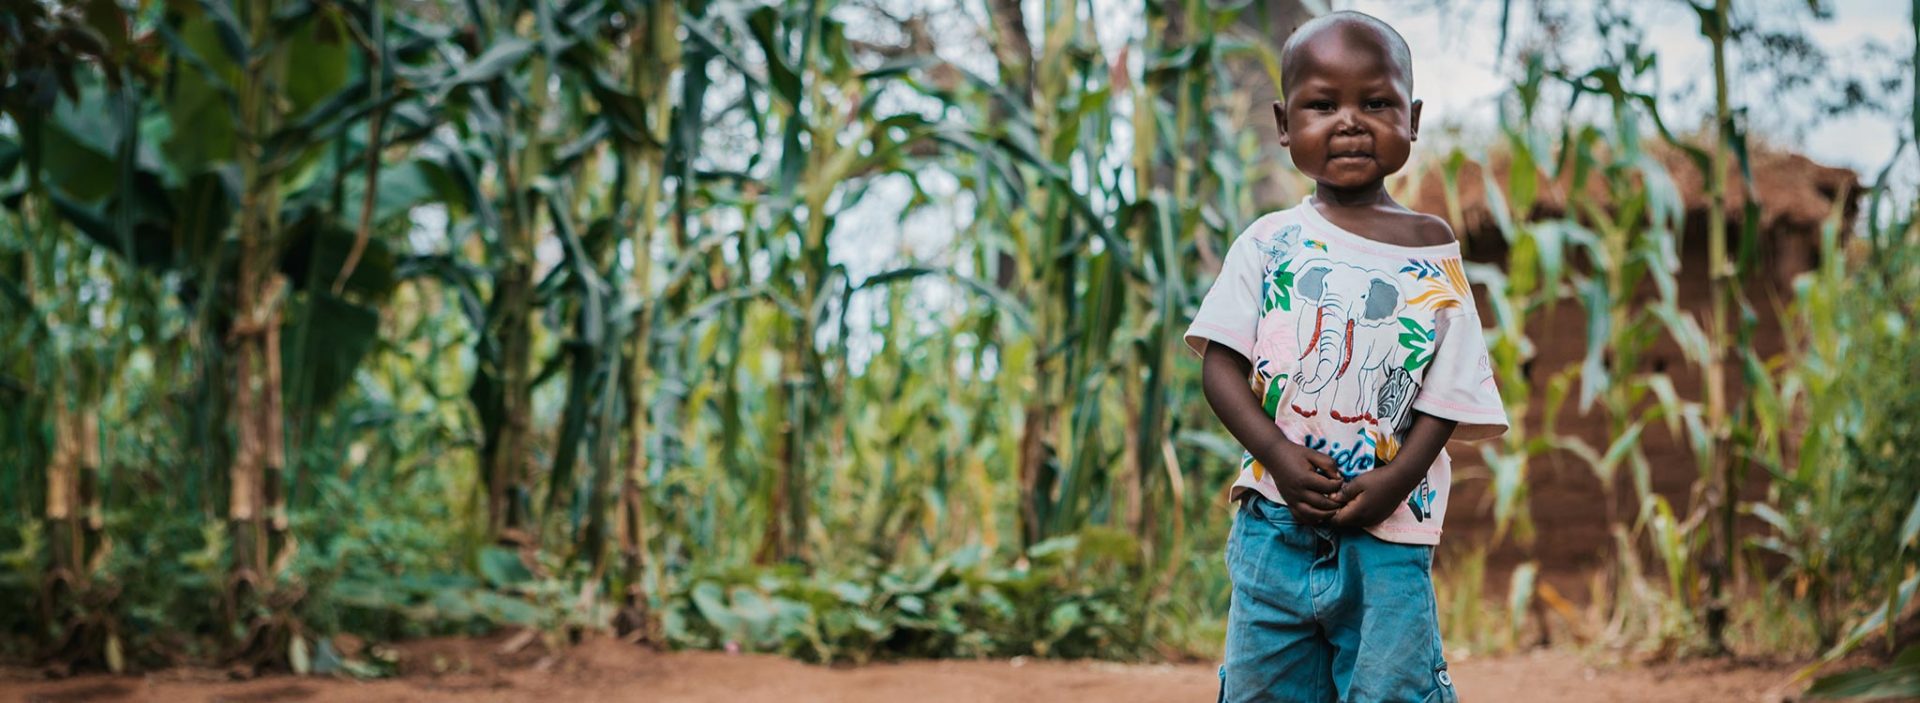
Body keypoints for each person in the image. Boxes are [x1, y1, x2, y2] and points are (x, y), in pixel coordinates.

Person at [1183, 10, 1511, 703]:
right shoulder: (1268, 243)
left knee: (1392, 688)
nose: (1351, 121)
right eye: (1323, 104)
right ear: (1283, 123)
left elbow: (1447, 393)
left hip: (1390, 537)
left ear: (1413, 118)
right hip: (1275, 522)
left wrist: (1396, 480)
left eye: (1377, 102)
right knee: (1264, 688)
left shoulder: (1432, 249)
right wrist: (1276, 451)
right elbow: (1219, 363)